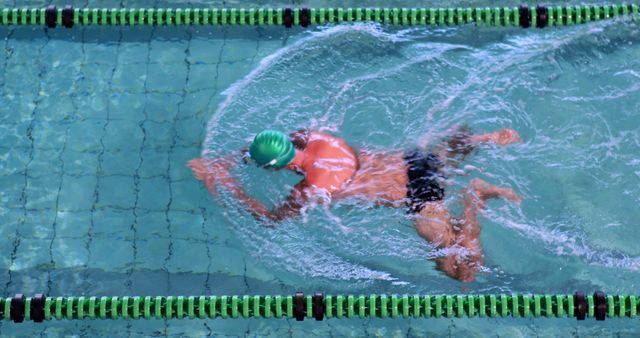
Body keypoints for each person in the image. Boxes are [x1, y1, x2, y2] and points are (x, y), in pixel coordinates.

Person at [188, 127, 522, 282]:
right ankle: (481, 139)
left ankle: (473, 196)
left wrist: (223, 180)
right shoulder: (316, 137)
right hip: (416, 161)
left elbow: (269, 219)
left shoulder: (313, 187)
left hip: (418, 198)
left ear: (277, 167)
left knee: (462, 271)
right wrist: (232, 158)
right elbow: (274, 144)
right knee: (448, 147)